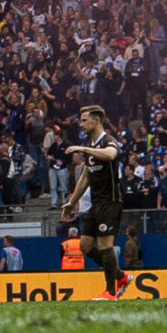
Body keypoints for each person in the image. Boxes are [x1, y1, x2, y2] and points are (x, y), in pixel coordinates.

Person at [61, 104, 129, 300]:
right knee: (85, 246)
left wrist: (83, 149)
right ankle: (120, 276)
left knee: (106, 246)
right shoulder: (92, 146)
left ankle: (111, 292)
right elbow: (85, 177)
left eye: (84, 120)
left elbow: (111, 154)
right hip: (96, 204)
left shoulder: (108, 141)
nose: (81, 124)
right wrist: (72, 202)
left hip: (111, 201)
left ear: (96, 120)